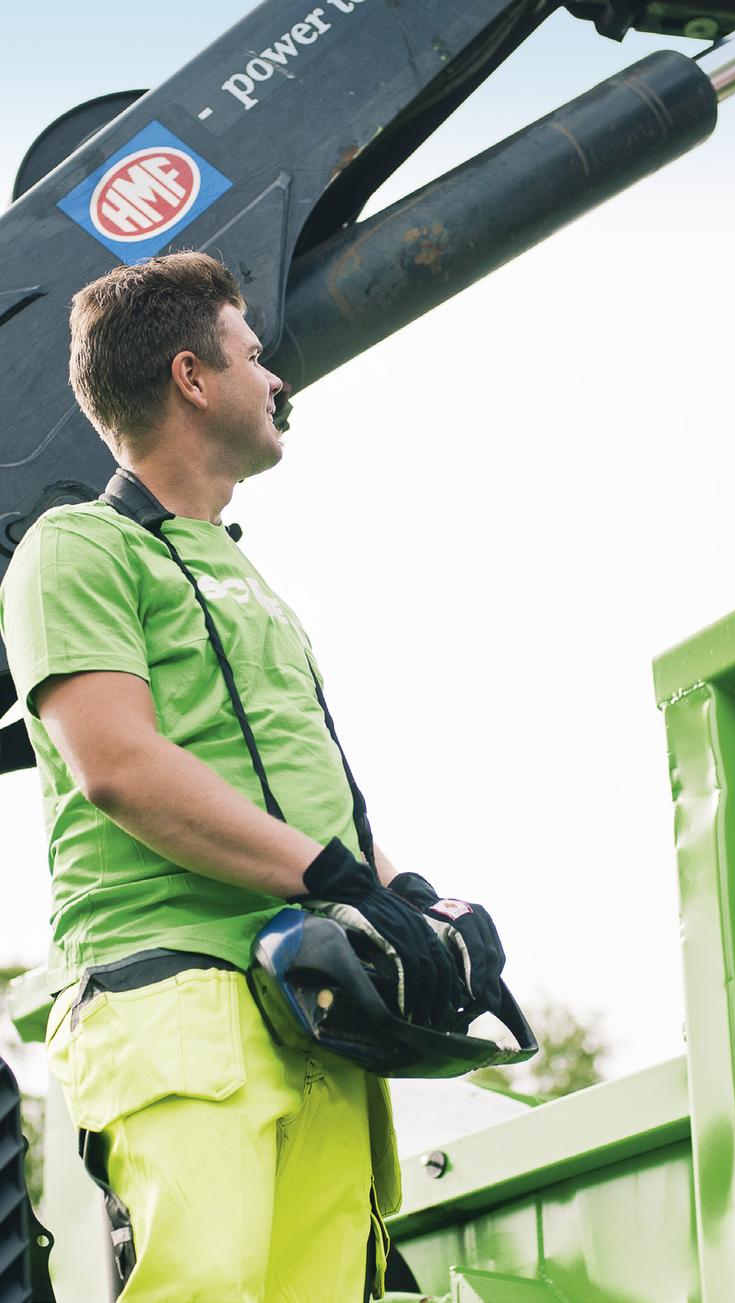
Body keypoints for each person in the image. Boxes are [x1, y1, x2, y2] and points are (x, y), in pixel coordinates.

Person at [0, 250, 505, 1302]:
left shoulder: (248, 576)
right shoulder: (73, 548)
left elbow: (311, 784)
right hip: (170, 987)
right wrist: (340, 879)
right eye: (253, 353)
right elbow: (119, 767)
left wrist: (404, 895)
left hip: (315, 1000)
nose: (277, 381)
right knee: (208, 1281)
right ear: (192, 376)